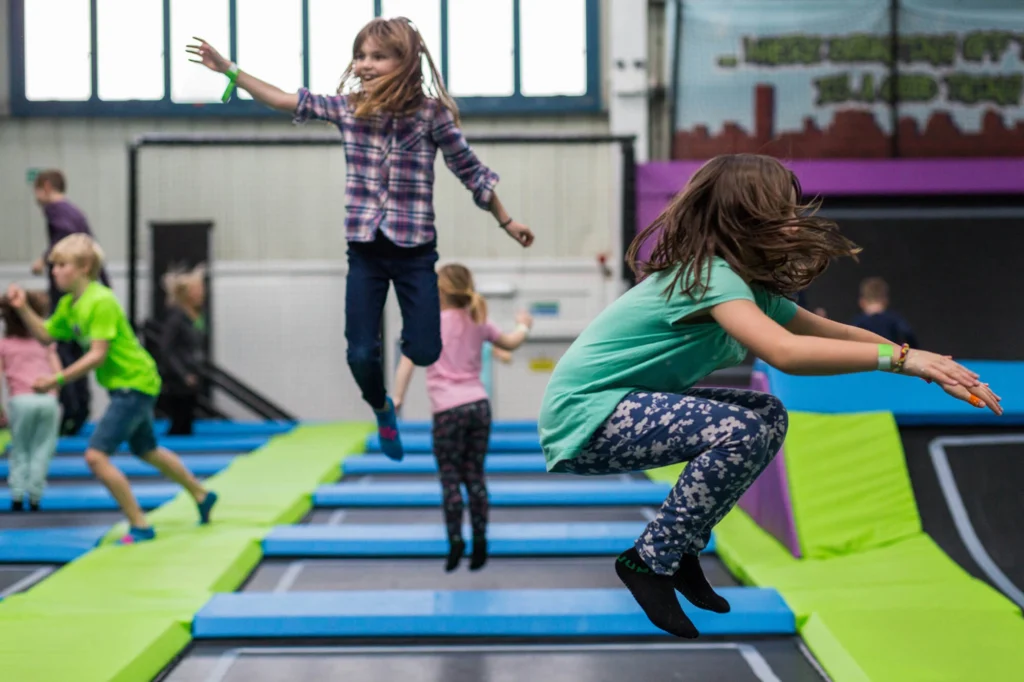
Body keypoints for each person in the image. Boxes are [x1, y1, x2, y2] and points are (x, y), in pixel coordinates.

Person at [538, 154, 1001, 639]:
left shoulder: (748, 291)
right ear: (748, 216)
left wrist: (923, 361)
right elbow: (784, 351)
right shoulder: (708, 274)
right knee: (738, 430)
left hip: (619, 409)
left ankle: (682, 548)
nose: (795, 221)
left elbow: (839, 333)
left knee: (769, 414)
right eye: (784, 210)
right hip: (587, 415)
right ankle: (647, 561)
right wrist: (901, 362)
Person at [186, 17, 536, 462]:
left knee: (427, 351)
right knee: (360, 355)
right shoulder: (348, 108)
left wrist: (507, 221)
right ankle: (380, 407)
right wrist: (231, 71)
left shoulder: (432, 115)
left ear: (405, 62)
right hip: (366, 251)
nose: (365, 64)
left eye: (377, 56)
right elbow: (283, 98)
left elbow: (469, 170)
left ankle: (408, 359)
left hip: (414, 252)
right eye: (361, 55)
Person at [6, 234, 219, 544]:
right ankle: (202, 494)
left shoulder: (100, 300)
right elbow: (45, 336)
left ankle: (140, 524)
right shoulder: (69, 305)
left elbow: (97, 354)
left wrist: (56, 380)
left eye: (61, 265)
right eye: (53, 265)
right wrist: (23, 308)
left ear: (84, 267)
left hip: (134, 383)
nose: (54, 271)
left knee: (95, 456)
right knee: (146, 449)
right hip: (132, 384)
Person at [391, 264, 532, 572]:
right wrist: (524, 326)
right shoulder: (478, 318)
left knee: (451, 480)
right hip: (478, 406)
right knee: (475, 476)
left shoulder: (427, 323)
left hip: (447, 412)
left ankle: (456, 541)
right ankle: (480, 539)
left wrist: (397, 398)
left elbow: (407, 363)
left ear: (439, 291)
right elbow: (509, 343)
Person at [31, 169, 111, 437]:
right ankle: (78, 412)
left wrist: (45, 259)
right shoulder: (74, 211)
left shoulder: (57, 210)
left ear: (45, 186)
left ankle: (73, 412)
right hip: (89, 294)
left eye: (60, 264)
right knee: (75, 349)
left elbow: (67, 240)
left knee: (64, 350)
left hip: (78, 298)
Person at [0, 290, 62, 511]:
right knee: (42, 449)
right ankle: (35, 496)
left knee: (20, 449)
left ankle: (17, 495)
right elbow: (58, 375)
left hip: (21, 400)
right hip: (47, 400)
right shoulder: (46, 343)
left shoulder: (5, 345)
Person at [158, 264, 208, 436]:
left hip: (191, 375)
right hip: (178, 380)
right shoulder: (177, 318)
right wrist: (182, 374)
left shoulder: (194, 316)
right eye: (198, 289)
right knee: (179, 421)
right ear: (187, 293)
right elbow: (166, 349)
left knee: (187, 420)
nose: (202, 293)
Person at [852, 276, 917, 347]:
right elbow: (908, 334)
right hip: (888, 353)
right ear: (886, 301)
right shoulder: (894, 319)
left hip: (865, 354)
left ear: (862, 302)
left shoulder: (858, 322)